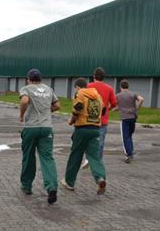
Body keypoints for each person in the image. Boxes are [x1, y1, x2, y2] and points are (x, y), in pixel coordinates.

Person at [19, 69, 60, 204]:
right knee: (47, 158)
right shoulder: (48, 89)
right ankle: (52, 187)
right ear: (40, 79)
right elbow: (57, 105)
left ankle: (27, 186)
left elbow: (24, 101)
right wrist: (48, 111)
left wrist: (21, 115)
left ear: (28, 79)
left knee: (29, 157)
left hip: (31, 128)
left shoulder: (26, 88)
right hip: (47, 128)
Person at [61, 78, 107, 195]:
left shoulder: (80, 93)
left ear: (77, 87)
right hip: (96, 129)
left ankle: (69, 182)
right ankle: (100, 178)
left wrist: (71, 120)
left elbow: (78, 108)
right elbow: (104, 110)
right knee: (94, 156)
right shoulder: (97, 95)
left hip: (82, 129)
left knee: (76, 155)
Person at [85, 67, 116, 165]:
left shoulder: (88, 86)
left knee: (88, 139)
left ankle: (88, 158)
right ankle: (98, 161)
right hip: (103, 119)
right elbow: (114, 103)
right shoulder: (109, 88)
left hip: (89, 118)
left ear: (94, 76)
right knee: (100, 141)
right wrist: (107, 109)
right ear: (104, 77)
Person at [115, 80, 144, 163]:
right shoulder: (133, 94)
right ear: (128, 86)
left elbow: (115, 105)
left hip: (124, 118)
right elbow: (141, 99)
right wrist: (137, 108)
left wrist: (111, 109)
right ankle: (131, 151)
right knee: (130, 135)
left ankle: (129, 155)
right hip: (133, 117)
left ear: (120, 87)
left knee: (125, 137)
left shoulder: (118, 95)